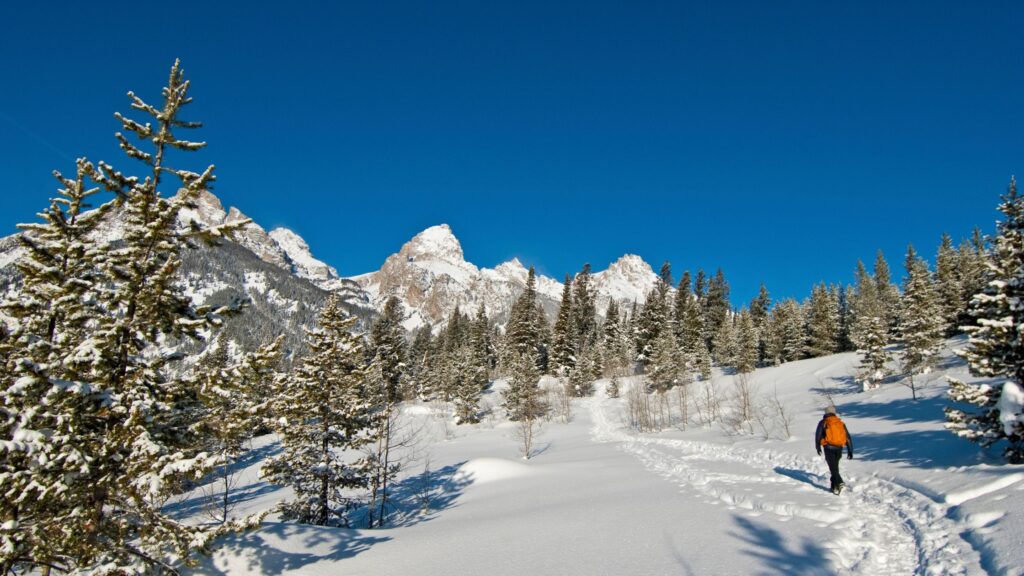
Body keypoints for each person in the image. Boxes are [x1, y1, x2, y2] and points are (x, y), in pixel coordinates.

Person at [815, 405, 853, 495]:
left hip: (828, 448)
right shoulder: (840, 423)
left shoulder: (823, 422)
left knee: (833, 469)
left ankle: (839, 482)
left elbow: (818, 436)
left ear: (826, 413)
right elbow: (847, 437)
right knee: (835, 468)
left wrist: (818, 447)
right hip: (839, 448)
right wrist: (850, 450)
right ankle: (834, 487)